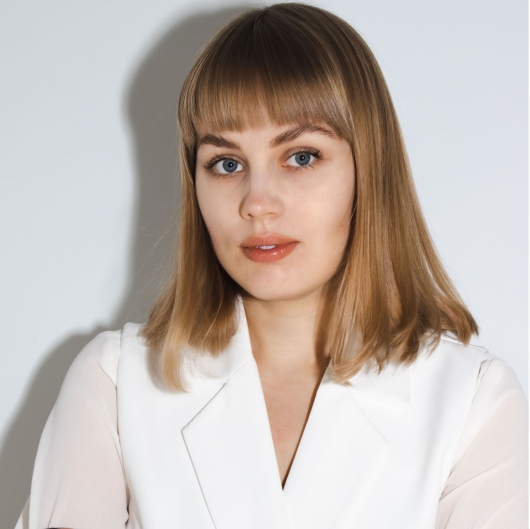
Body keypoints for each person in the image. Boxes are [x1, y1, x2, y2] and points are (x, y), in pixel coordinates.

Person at [15, 3, 527, 528]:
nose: (257, 203)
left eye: (301, 157)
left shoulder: (472, 403)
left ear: (368, 169)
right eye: (227, 164)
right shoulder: (115, 385)